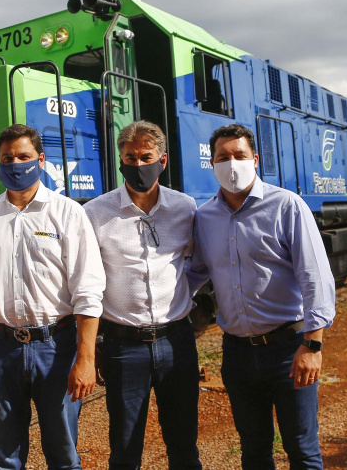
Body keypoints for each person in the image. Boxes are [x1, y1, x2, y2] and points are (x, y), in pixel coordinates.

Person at [189, 123, 336, 470]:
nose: (231, 163)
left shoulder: (287, 206)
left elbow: (315, 276)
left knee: (302, 449)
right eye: (222, 157)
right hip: (237, 354)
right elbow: (193, 275)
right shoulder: (204, 217)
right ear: (212, 164)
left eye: (239, 155)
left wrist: (312, 345)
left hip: (289, 348)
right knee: (253, 451)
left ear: (255, 159)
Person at [0, 124, 106, 470]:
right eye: (7, 157)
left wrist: (86, 359)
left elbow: (88, 290)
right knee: (4, 458)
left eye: (24, 156)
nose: (15, 163)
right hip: (0, 350)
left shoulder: (67, 213)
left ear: (41, 160)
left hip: (56, 348)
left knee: (63, 454)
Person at [84, 120, 203, 470]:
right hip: (124, 347)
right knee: (124, 448)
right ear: (120, 160)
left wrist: (184, 296)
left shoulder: (185, 208)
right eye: (130, 157)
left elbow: (197, 263)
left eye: (146, 157)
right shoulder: (95, 213)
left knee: (184, 444)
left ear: (162, 161)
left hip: (177, 341)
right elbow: (88, 282)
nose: (138, 165)